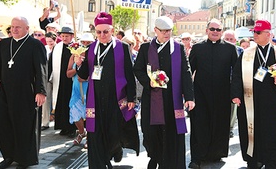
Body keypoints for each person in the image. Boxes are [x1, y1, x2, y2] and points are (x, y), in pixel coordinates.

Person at [75, 12, 139, 168]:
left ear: (112, 30)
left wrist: (132, 98)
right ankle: (99, 163)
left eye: (105, 31)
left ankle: (115, 150)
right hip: (95, 98)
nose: (102, 35)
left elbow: (129, 73)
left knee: (113, 131)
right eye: (98, 32)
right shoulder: (90, 49)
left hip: (115, 97)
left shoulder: (122, 47)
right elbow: (84, 75)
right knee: (95, 133)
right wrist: (79, 63)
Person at [0, 16, 47, 169]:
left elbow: (41, 70)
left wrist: (41, 91)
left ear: (27, 29)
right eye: (12, 27)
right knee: (1, 123)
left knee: (24, 126)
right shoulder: (4, 44)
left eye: (18, 27)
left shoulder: (35, 45)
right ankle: (9, 155)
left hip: (26, 93)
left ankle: (24, 159)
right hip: (5, 92)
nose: (14, 29)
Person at [133, 16, 195, 169]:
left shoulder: (178, 47)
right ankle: (155, 156)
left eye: (169, 31)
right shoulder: (146, 48)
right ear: (155, 30)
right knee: (151, 132)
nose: (167, 34)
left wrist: (189, 97)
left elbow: (186, 73)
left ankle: (169, 162)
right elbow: (138, 69)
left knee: (171, 133)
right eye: (164, 31)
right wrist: (150, 81)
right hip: (151, 97)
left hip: (171, 99)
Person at [231, 19, 276, 169]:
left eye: (258, 33)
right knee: (253, 131)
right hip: (251, 100)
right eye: (254, 33)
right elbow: (237, 75)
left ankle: (272, 161)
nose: (255, 36)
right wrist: (236, 95)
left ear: (268, 34)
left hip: (272, 101)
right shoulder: (246, 53)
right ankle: (254, 160)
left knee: (271, 132)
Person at [188, 18, 238, 168]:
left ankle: (216, 154)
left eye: (218, 30)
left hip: (222, 94)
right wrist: (187, 93)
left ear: (221, 32)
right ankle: (197, 157)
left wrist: (235, 93)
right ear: (206, 30)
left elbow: (236, 73)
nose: (215, 32)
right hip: (201, 94)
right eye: (212, 29)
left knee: (220, 125)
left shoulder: (230, 49)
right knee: (199, 125)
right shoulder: (197, 48)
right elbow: (189, 71)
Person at [67, 33, 94, 146]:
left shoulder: (94, 55)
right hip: (77, 89)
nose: (86, 45)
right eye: (84, 42)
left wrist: (85, 75)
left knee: (90, 114)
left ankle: (90, 137)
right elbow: (68, 73)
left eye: (89, 43)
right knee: (74, 111)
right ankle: (81, 132)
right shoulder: (74, 55)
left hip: (89, 89)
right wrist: (78, 67)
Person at [49, 26, 76, 136]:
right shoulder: (57, 47)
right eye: (63, 36)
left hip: (71, 80)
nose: (64, 38)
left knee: (71, 104)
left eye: (67, 36)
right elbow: (50, 62)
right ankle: (63, 126)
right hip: (59, 80)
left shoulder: (76, 47)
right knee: (61, 103)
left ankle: (72, 128)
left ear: (72, 36)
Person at [223, 29, 244, 138]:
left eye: (231, 39)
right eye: (227, 39)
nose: (229, 41)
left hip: (234, 83)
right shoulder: (220, 49)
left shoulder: (241, 51)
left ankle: (230, 128)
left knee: (233, 108)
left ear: (235, 40)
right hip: (222, 83)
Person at [41, 32, 58, 130]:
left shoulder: (58, 49)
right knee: (46, 101)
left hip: (56, 77)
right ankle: (45, 122)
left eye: (51, 41)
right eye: (47, 41)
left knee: (56, 99)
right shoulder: (45, 49)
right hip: (47, 78)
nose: (49, 43)